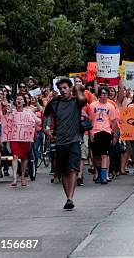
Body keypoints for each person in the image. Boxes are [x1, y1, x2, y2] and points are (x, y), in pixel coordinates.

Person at [43, 78, 87, 210]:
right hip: (60, 141)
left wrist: (78, 88)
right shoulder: (55, 103)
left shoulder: (76, 101)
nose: (63, 90)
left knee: (73, 169)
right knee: (63, 172)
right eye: (60, 88)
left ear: (70, 88)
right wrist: (46, 129)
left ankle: (70, 198)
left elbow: (82, 100)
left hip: (74, 139)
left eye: (65, 88)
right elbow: (46, 115)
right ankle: (68, 196)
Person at [6, 94, 41, 187]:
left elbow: (37, 120)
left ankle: (22, 177)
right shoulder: (12, 112)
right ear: (15, 102)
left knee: (24, 157)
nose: (19, 101)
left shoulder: (28, 112)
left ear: (24, 102)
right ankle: (14, 178)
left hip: (25, 138)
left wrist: (42, 125)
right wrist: (9, 113)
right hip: (14, 137)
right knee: (15, 156)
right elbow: (7, 123)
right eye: (17, 99)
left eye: (21, 99)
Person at [88, 87, 119, 185]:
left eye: (106, 93)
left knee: (105, 154)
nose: (105, 95)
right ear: (99, 95)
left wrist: (113, 135)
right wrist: (90, 132)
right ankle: (97, 171)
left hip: (106, 132)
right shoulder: (93, 105)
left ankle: (103, 176)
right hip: (95, 132)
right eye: (103, 93)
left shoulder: (110, 106)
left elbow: (113, 121)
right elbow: (89, 120)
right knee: (96, 155)